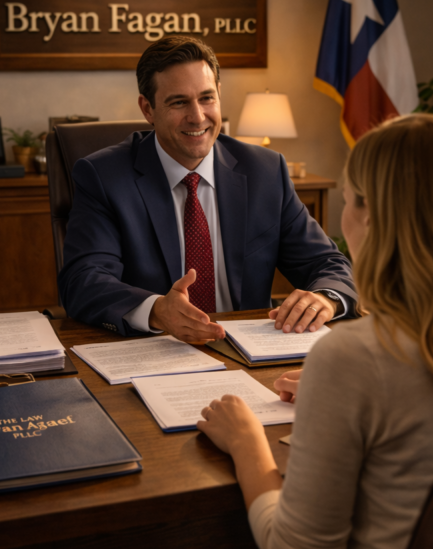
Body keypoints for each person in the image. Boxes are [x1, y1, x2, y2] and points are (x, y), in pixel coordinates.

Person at [157, 114, 433, 549]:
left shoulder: (354, 357)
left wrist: (246, 441)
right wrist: (334, 394)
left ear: (371, 215)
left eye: (350, 198)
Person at [58, 36, 357, 343]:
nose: (197, 117)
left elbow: (328, 264)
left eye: (206, 98)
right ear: (148, 109)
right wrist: (157, 310)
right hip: (155, 349)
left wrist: (327, 298)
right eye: (179, 102)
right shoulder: (104, 177)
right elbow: (83, 281)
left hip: (250, 352)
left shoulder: (265, 171)